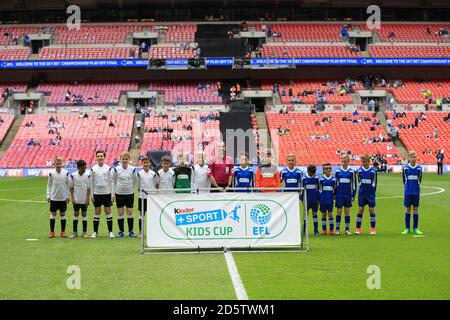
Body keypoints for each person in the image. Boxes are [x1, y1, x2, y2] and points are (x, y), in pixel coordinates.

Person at [89, 150, 115, 238]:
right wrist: (92, 194)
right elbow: (91, 182)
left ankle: (110, 232)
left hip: (106, 193)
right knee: (97, 211)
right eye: (98, 156)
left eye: (101, 156)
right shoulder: (93, 169)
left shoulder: (108, 168)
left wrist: (112, 194)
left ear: (104, 157)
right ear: (96, 157)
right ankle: (95, 232)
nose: (100, 157)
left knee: (108, 211)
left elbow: (111, 182)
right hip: (96, 193)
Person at [111, 152, 137, 238]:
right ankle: (121, 231)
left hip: (129, 194)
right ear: (120, 159)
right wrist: (113, 193)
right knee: (120, 213)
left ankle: (131, 231)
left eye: (126, 159)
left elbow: (135, 181)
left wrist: (130, 188)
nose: (125, 160)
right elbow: (113, 181)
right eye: (123, 159)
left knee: (130, 212)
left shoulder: (132, 169)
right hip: (119, 194)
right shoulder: (116, 169)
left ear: (129, 160)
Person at [47, 156, 70, 238]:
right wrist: (48, 195)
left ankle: (63, 232)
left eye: (60, 163)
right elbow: (49, 185)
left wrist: (68, 196)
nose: (59, 165)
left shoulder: (66, 172)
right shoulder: (51, 173)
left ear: (62, 164)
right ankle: (52, 232)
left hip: (63, 197)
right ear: (54, 164)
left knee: (63, 213)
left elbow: (68, 185)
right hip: (54, 197)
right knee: (53, 214)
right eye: (57, 164)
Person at [402, 151, 424, 235]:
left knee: (415, 210)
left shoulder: (419, 168)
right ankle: (407, 228)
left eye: (414, 157)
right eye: (411, 157)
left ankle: (416, 228)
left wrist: (416, 188)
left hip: (416, 192)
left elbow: (419, 180)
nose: (413, 159)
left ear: (416, 158)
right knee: (407, 209)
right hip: (408, 192)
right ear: (409, 158)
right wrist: (407, 187)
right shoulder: (405, 168)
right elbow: (404, 180)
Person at [136, 157, 159, 236]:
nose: (146, 164)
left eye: (147, 162)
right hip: (142, 197)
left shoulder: (153, 174)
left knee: (152, 214)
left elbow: (156, 184)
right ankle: (141, 232)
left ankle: (152, 232)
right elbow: (138, 186)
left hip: (151, 197)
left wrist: (153, 193)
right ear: (142, 164)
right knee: (141, 214)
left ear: (150, 163)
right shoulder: (139, 173)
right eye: (144, 162)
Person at [355, 154, 378, 235]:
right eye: (362, 161)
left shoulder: (373, 171)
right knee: (360, 210)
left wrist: (373, 192)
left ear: (368, 161)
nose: (363, 162)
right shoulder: (359, 171)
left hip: (370, 194)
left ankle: (373, 228)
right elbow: (359, 181)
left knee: (371, 210)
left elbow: (375, 183)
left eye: (364, 161)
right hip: (362, 193)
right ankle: (358, 228)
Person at [334, 154, 357, 235]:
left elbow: (354, 183)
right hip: (339, 194)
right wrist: (334, 194)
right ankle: (337, 229)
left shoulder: (351, 171)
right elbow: (335, 184)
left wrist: (353, 194)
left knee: (347, 212)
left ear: (348, 161)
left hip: (347, 194)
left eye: (345, 160)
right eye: (342, 160)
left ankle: (347, 229)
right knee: (339, 211)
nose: (343, 162)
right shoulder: (337, 171)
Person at [68, 160, 90, 238]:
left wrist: (87, 198)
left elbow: (89, 188)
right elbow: (71, 187)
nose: (84, 170)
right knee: (76, 213)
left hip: (84, 199)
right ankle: (74, 232)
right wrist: (72, 197)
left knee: (84, 214)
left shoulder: (88, 175)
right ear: (78, 167)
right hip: (76, 198)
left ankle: (84, 232)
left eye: (85, 168)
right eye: (82, 168)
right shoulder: (73, 175)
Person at [301, 165, 320, 236]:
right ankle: (304, 231)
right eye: (311, 172)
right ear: (308, 171)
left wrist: (318, 199)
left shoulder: (316, 178)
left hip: (314, 200)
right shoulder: (304, 178)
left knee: (315, 214)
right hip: (306, 200)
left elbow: (318, 189)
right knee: (305, 214)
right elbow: (302, 190)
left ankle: (316, 231)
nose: (312, 174)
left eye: (313, 172)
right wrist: (302, 199)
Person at [319, 163, 336, 235]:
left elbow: (335, 189)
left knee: (330, 214)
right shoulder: (321, 179)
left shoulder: (334, 179)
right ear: (324, 170)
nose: (328, 169)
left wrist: (334, 197)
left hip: (330, 199)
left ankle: (331, 230)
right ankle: (324, 229)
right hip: (323, 199)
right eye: (326, 168)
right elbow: (319, 190)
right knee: (323, 214)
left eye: (329, 168)